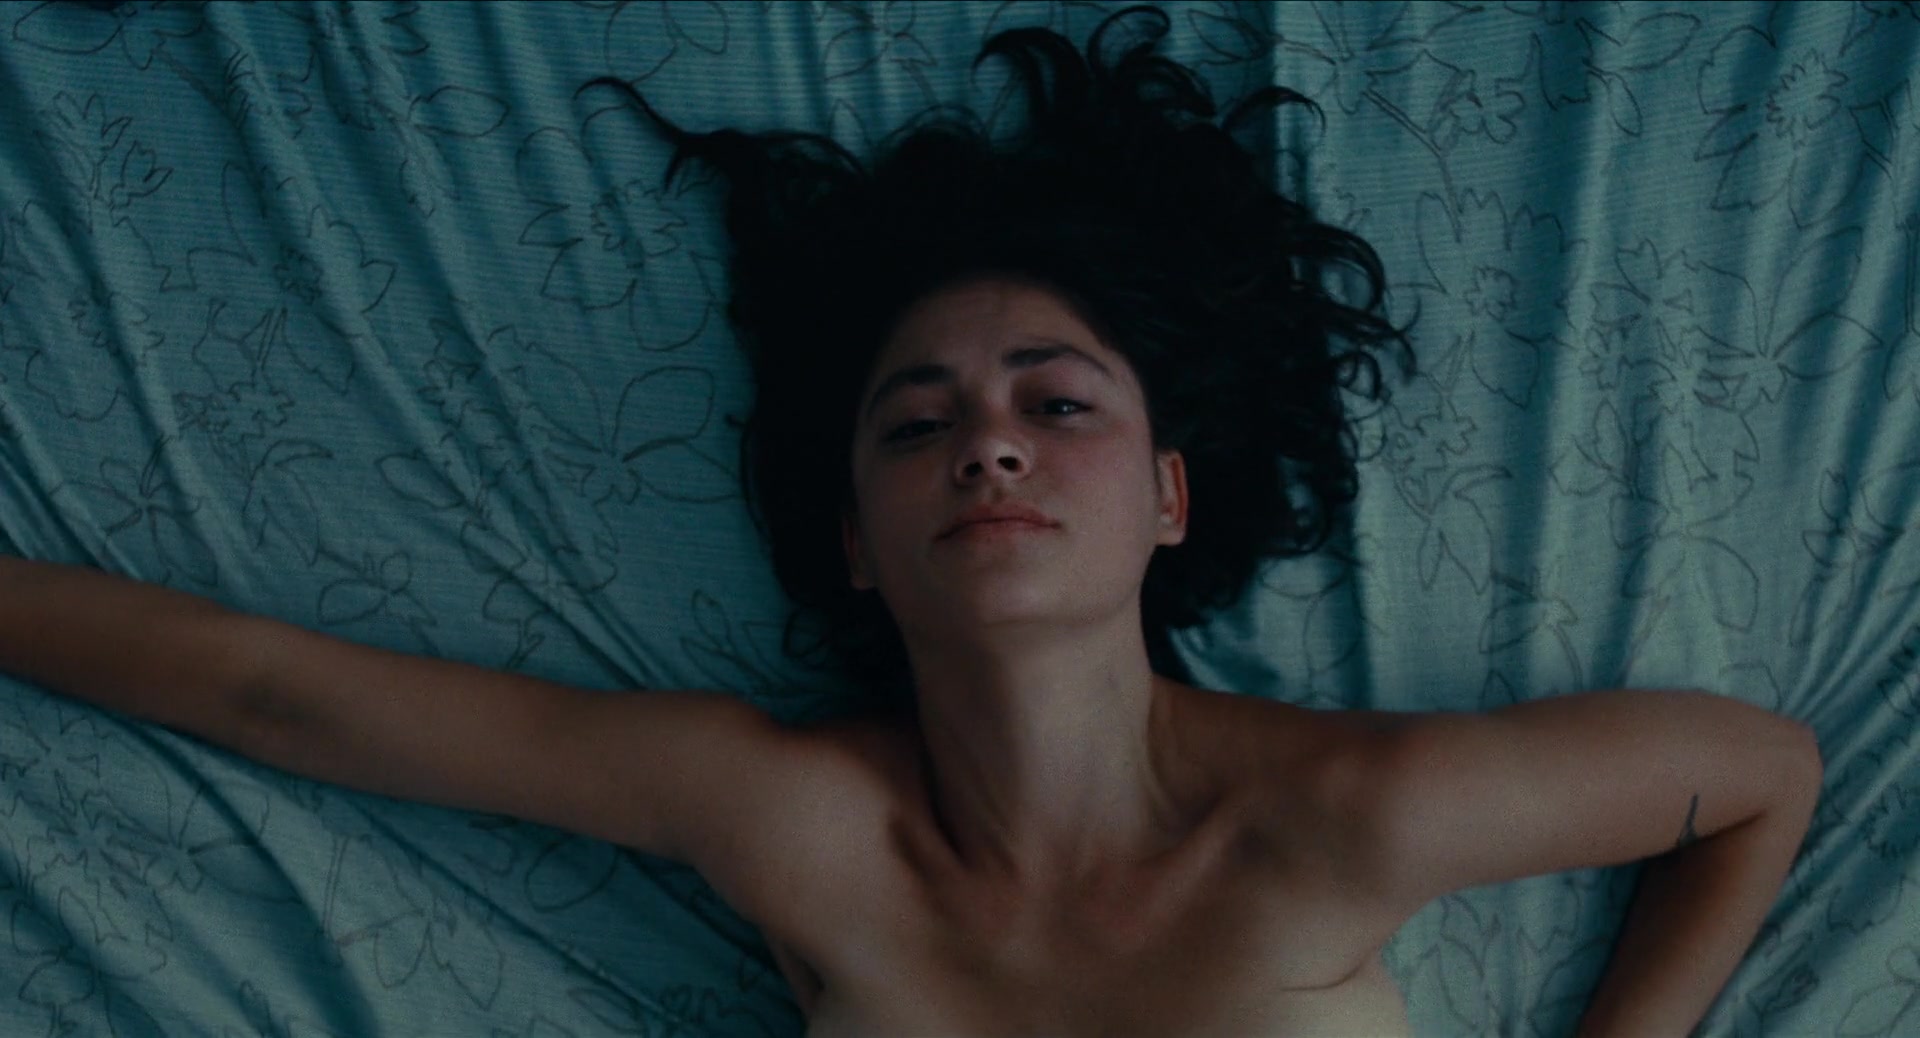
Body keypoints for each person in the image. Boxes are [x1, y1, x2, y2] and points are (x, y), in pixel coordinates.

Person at [0, 7, 1822, 1035]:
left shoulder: (1347, 814)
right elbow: (276, 692)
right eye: (920, 420)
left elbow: (1761, 777)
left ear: (1168, 497)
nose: (991, 447)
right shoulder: (793, 822)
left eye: (1058, 402)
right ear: (858, 539)